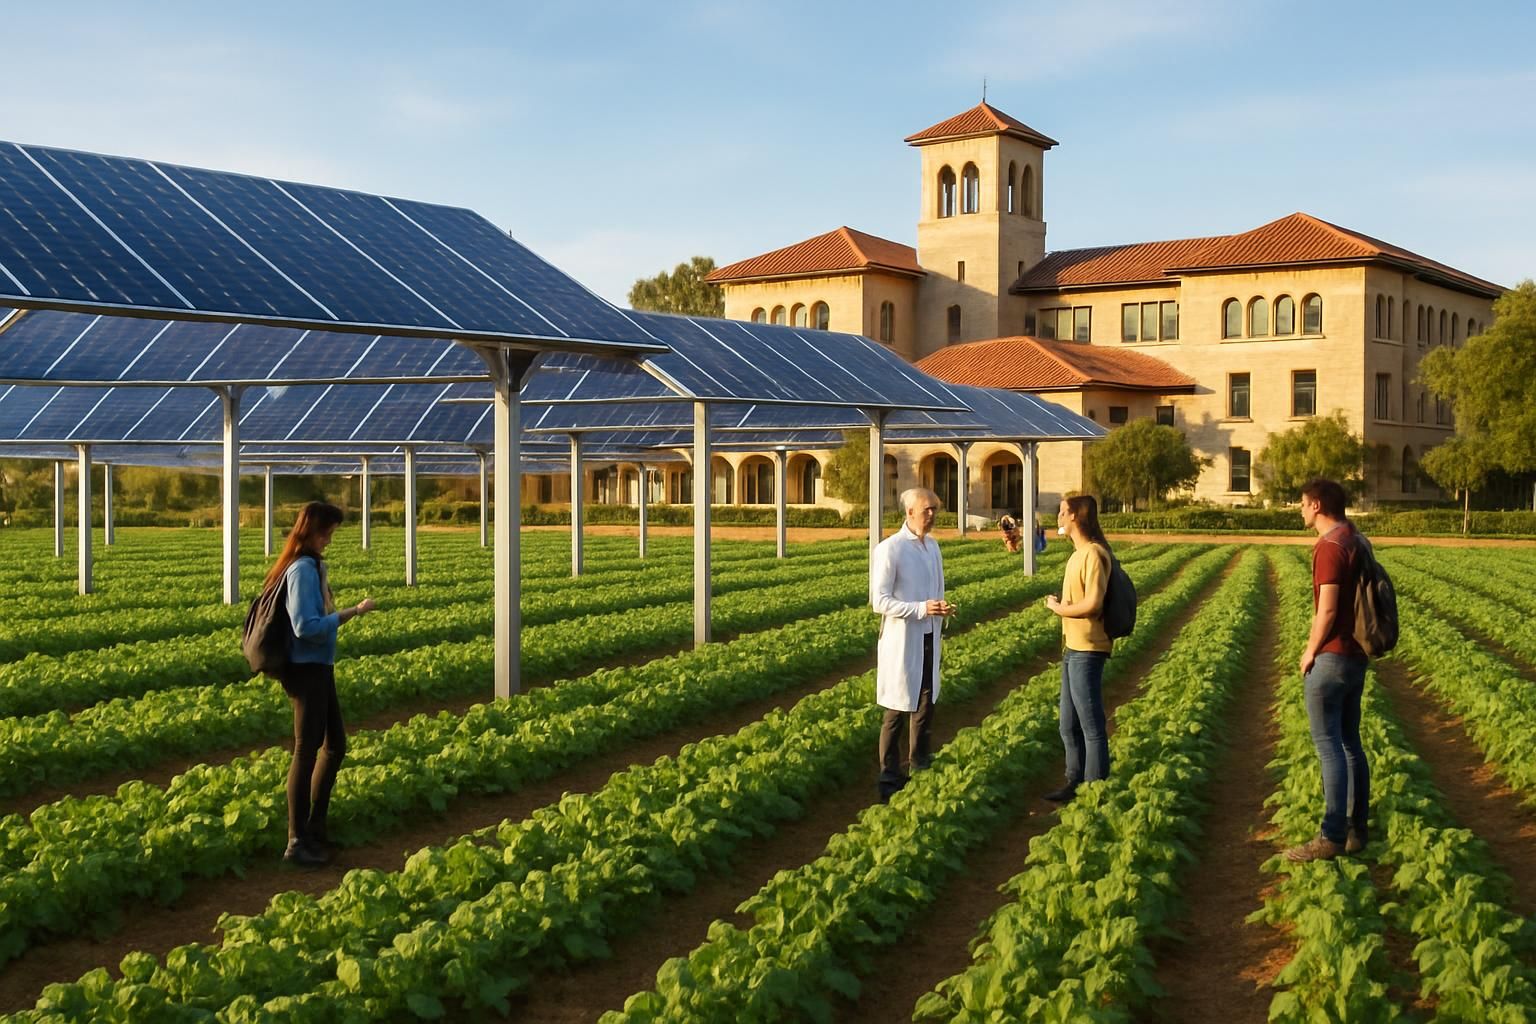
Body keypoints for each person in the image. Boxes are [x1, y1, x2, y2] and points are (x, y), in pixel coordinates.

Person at [262, 501, 376, 866]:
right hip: (306, 669)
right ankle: (297, 840)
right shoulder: (301, 571)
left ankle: (315, 826)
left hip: (318, 667)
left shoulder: (312, 567)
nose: (329, 539)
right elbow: (305, 626)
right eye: (327, 532)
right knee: (306, 751)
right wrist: (349, 614)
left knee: (335, 745)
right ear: (311, 531)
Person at [1285, 478, 1371, 862]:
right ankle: (1357, 828)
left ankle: (1331, 836)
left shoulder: (1330, 547)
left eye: (1303, 504)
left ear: (1317, 505)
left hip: (1333, 656)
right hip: (1356, 656)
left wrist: (1309, 651)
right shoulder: (1356, 538)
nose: (1300, 510)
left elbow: (1330, 609)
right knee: (1351, 743)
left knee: (1329, 747)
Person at [872, 487, 954, 802]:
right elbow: (879, 601)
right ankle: (889, 778)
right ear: (909, 513)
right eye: (927, 509)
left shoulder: (932, 547)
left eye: (935, 509)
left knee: (926, 702)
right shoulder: (890, 549)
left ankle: (920, 765)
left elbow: (935, 590)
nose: (932, 515)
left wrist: (940, 608)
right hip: (902, 640)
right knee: (896, 708)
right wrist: (921, 608)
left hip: (929, 635)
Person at [1043, 494, 1113, 803]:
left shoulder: (1094, 555)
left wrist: (1059, 609)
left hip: (1089, 648)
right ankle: (1074, 781)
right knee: (1068, 723)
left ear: (1074, 516)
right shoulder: (1077, 554)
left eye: (1062, 512)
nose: (1058, 516)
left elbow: (1094, 603)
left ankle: (1094, 788)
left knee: (1090, 724)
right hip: (1073, 647)